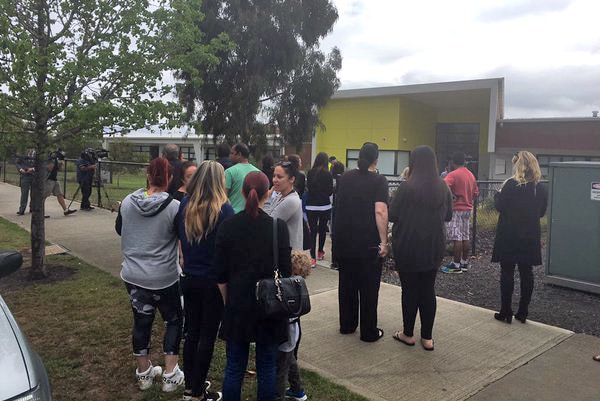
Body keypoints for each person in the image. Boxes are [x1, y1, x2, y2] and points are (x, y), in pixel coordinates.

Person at [216, 171, 292, 401]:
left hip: (237, 303)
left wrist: (227, 302)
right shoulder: (278, 228)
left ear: (241, 192)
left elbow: (220, 274)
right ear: (267, 193)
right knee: (267, 365)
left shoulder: (228, 226)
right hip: (268, 306)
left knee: (234, 366)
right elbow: (286, 272)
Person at [116, 157, 184, 392]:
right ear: (170, 178)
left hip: (134, 275)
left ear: (147, 175)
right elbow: (182, 236)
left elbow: (119, 229)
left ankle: (144, 373)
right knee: (173, 320)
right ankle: (170, 374)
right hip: (164, 276)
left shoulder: (126, 202)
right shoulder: (175, 207)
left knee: (141, 322)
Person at [177, 160, 234, 401]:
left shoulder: (185, 205)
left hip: (189, 278)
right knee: (207, 336)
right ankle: (198, 390)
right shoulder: (224, 209)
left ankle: (191, 386)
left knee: (192, 332)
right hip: (213, 282)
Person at [389, 146, 453, 351]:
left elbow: (392, 215)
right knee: (428, 289)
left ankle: (408, 334)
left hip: (408, 245)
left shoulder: (406, 187)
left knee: (409, 290)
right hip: (434, 245)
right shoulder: (443, 187)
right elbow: (449, 216)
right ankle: (427, 338)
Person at [332, 142, 389, 342]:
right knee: (368, 288)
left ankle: (347, 325)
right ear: (376, 159)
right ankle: (368, 331)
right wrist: (384, 241)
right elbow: (380, 211)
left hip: (345, 240)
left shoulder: (344, 178)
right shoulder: (379, 181)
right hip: (368, 242)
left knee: (347, 285)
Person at [492, 151, 548, 324]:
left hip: (509, 233)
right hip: (530, 234)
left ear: (519, 165)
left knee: (507, 270)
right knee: (527, 272)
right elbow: (541, 213)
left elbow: (500, 206)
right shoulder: (540, 188)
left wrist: (497, 194)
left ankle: (505, 311)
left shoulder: (510, 184)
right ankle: (523, 312)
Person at [276, 251, 311, 401]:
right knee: (290, 361)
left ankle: (278, 395)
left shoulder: (288, 286)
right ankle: (297, 390)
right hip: (293, 330)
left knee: (281, 370)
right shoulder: (300, 286)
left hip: (287, 331)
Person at [441, 152, 479, 273]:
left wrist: (452, 196)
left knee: (456, 237)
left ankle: (456, 265)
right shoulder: (471, 175)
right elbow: (476, 193)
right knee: (465, 235)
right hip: (468, 208)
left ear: (453, 162)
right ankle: (464, 262)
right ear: (464, 161)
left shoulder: (453, 174)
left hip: (457, 208)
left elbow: (442, 186)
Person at [264, 161, 303, 250]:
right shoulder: (280, 194)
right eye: (274, 176)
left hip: (288, 254)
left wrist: (266, 199)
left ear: (292, 179)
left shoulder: (291, 200)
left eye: (279, 177)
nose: (274, 180)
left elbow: (267, 223)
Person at [306, 152, 333, 266]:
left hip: (311, 205)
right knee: (322, 229)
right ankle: (320, 252)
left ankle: (312, 258)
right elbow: (330, 191)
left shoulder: (310, 173)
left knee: (312, 230)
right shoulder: (328, 174)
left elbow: (308, 188)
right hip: (324, 205)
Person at [225, 143, 259, 214]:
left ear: (239, 154)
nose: (229, 156)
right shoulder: (258, 172)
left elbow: (223, 197)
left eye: (232, 153)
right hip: (253, 215)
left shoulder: (229, 172)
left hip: (233, 215)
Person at [44, 151, 77, 216]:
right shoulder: (51, 159)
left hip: (55, 179)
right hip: (49, 179)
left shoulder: (56, 160)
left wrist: (61, 163)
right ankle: (39, 212)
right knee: (44, 196)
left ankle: (65, 210)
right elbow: (49, 168)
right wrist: (54, 161)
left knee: (59, 194)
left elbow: (60, 169)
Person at [330, 161, 345, 269]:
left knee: (334, 235)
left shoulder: (332, 179)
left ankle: (334, 261)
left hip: (334, 207)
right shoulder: (345, 179)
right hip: (343, 209)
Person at [16, 149, 36, 215]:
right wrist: (21, 169)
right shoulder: (23, 152)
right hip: (25, 176)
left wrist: (32, 169)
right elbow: (18, 163)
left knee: (34, 194)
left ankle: (32, 208)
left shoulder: (38, 153)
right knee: (24, 194)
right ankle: (22, 210)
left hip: (34, 176)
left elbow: (41, 164)